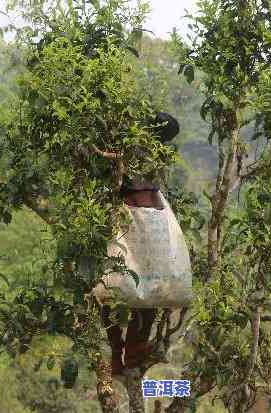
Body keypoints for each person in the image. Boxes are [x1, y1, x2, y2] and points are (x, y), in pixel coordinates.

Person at [99, 111, 180, 374]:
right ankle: (127, 349)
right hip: (142, 215)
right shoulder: (140, 152)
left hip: (138, 215)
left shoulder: (133, 149)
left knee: (118, 283)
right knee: (133, 283)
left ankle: (125, 350)